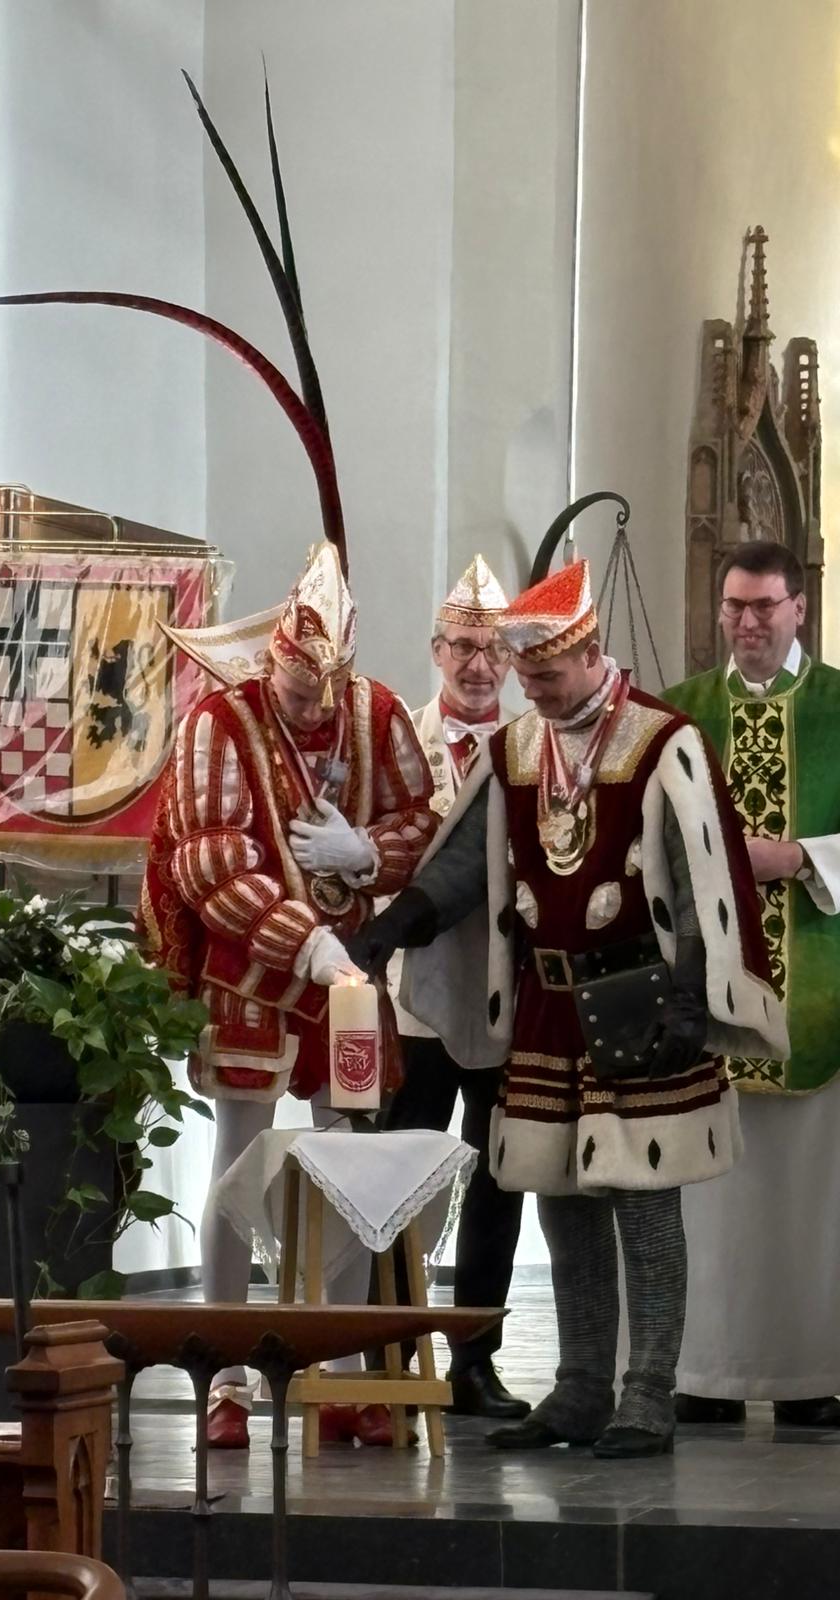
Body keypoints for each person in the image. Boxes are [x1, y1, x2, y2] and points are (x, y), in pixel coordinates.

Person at [350, 559, 787, 1458]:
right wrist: (395, 924)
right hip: (548, 1008)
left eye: (546, 674)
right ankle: (582, 1388)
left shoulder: (663, 742)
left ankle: (647, 1394)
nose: (533, 691)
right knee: (561, 1202)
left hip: (644, 1001)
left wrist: (692, 1002)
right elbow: (466, 864)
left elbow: (706, 880)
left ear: (590, 653)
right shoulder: (519, 751)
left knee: (643, 1205)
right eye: (526, 675)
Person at [140, 542, 438, 1449]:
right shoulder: (218, 723)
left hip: (349, 974)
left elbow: (422, 822)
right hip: (252, 974)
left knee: (348, 1160)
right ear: (274, 660)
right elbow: (209, 863)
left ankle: (334, 1366)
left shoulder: (377, 712)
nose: (312, 710)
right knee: (239, 1163)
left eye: (324, 694)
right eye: (299, 693)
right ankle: (223, 1371)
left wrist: (368, 853)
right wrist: (306, 943)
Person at [662, 541, 840, 1428]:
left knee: (811, 1201)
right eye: (734, 606)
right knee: (712, 1200)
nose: (747, 622)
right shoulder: (682, 713)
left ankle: (812, 1378)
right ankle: (707, 1374)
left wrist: (801, 856)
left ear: (799, 608)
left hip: (819, 988)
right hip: (709, 990)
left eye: (764, 606)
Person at [376, 555, 529, 1420]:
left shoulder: (529, 747)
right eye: (464, 647)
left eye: (494, 650)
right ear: (436, 650)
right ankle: (390, 1353)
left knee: (501, 1175)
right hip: (412, 993)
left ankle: (475, 1358)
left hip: (503, 988)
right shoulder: (399, 741)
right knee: (398, 1169)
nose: (479, 665)